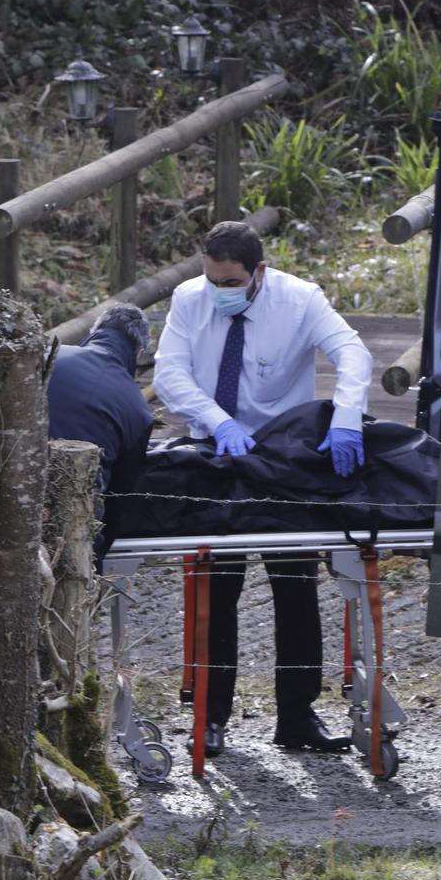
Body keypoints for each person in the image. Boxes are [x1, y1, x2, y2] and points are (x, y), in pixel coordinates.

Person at [152, 220, 372, 758]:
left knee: (295, 588)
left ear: (259, 273)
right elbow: (169, 374)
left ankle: (297, 715)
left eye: (231, 282)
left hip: (279, 453)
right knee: (214, 591)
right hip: (214, 449)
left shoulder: (299, 300)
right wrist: (216, 419)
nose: (220, 291)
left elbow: (353, 354)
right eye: (212, 280)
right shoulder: (189, 300)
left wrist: (346, 417)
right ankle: (210, 718)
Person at [48, 302, 154, 494]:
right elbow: (122, 490)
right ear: (139, 353)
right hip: (79, 505)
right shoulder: (138, 408)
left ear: (94, 331)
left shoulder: (49, 355)